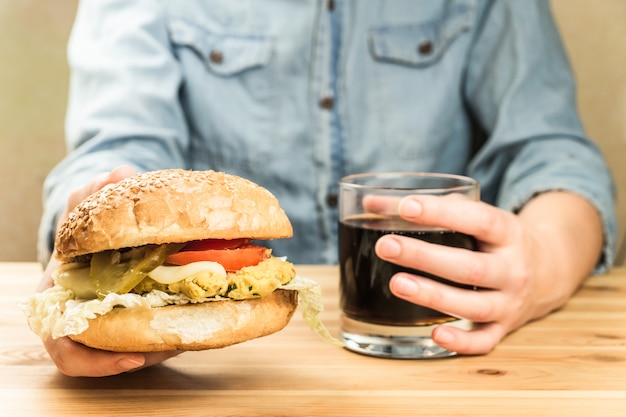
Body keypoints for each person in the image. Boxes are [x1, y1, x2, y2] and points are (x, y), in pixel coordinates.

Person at [36, 0, 616, 377]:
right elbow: (117, 150)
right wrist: (93, 223)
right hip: (217, 381)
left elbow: (552, 151)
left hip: (439, 353)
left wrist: (544, 255)